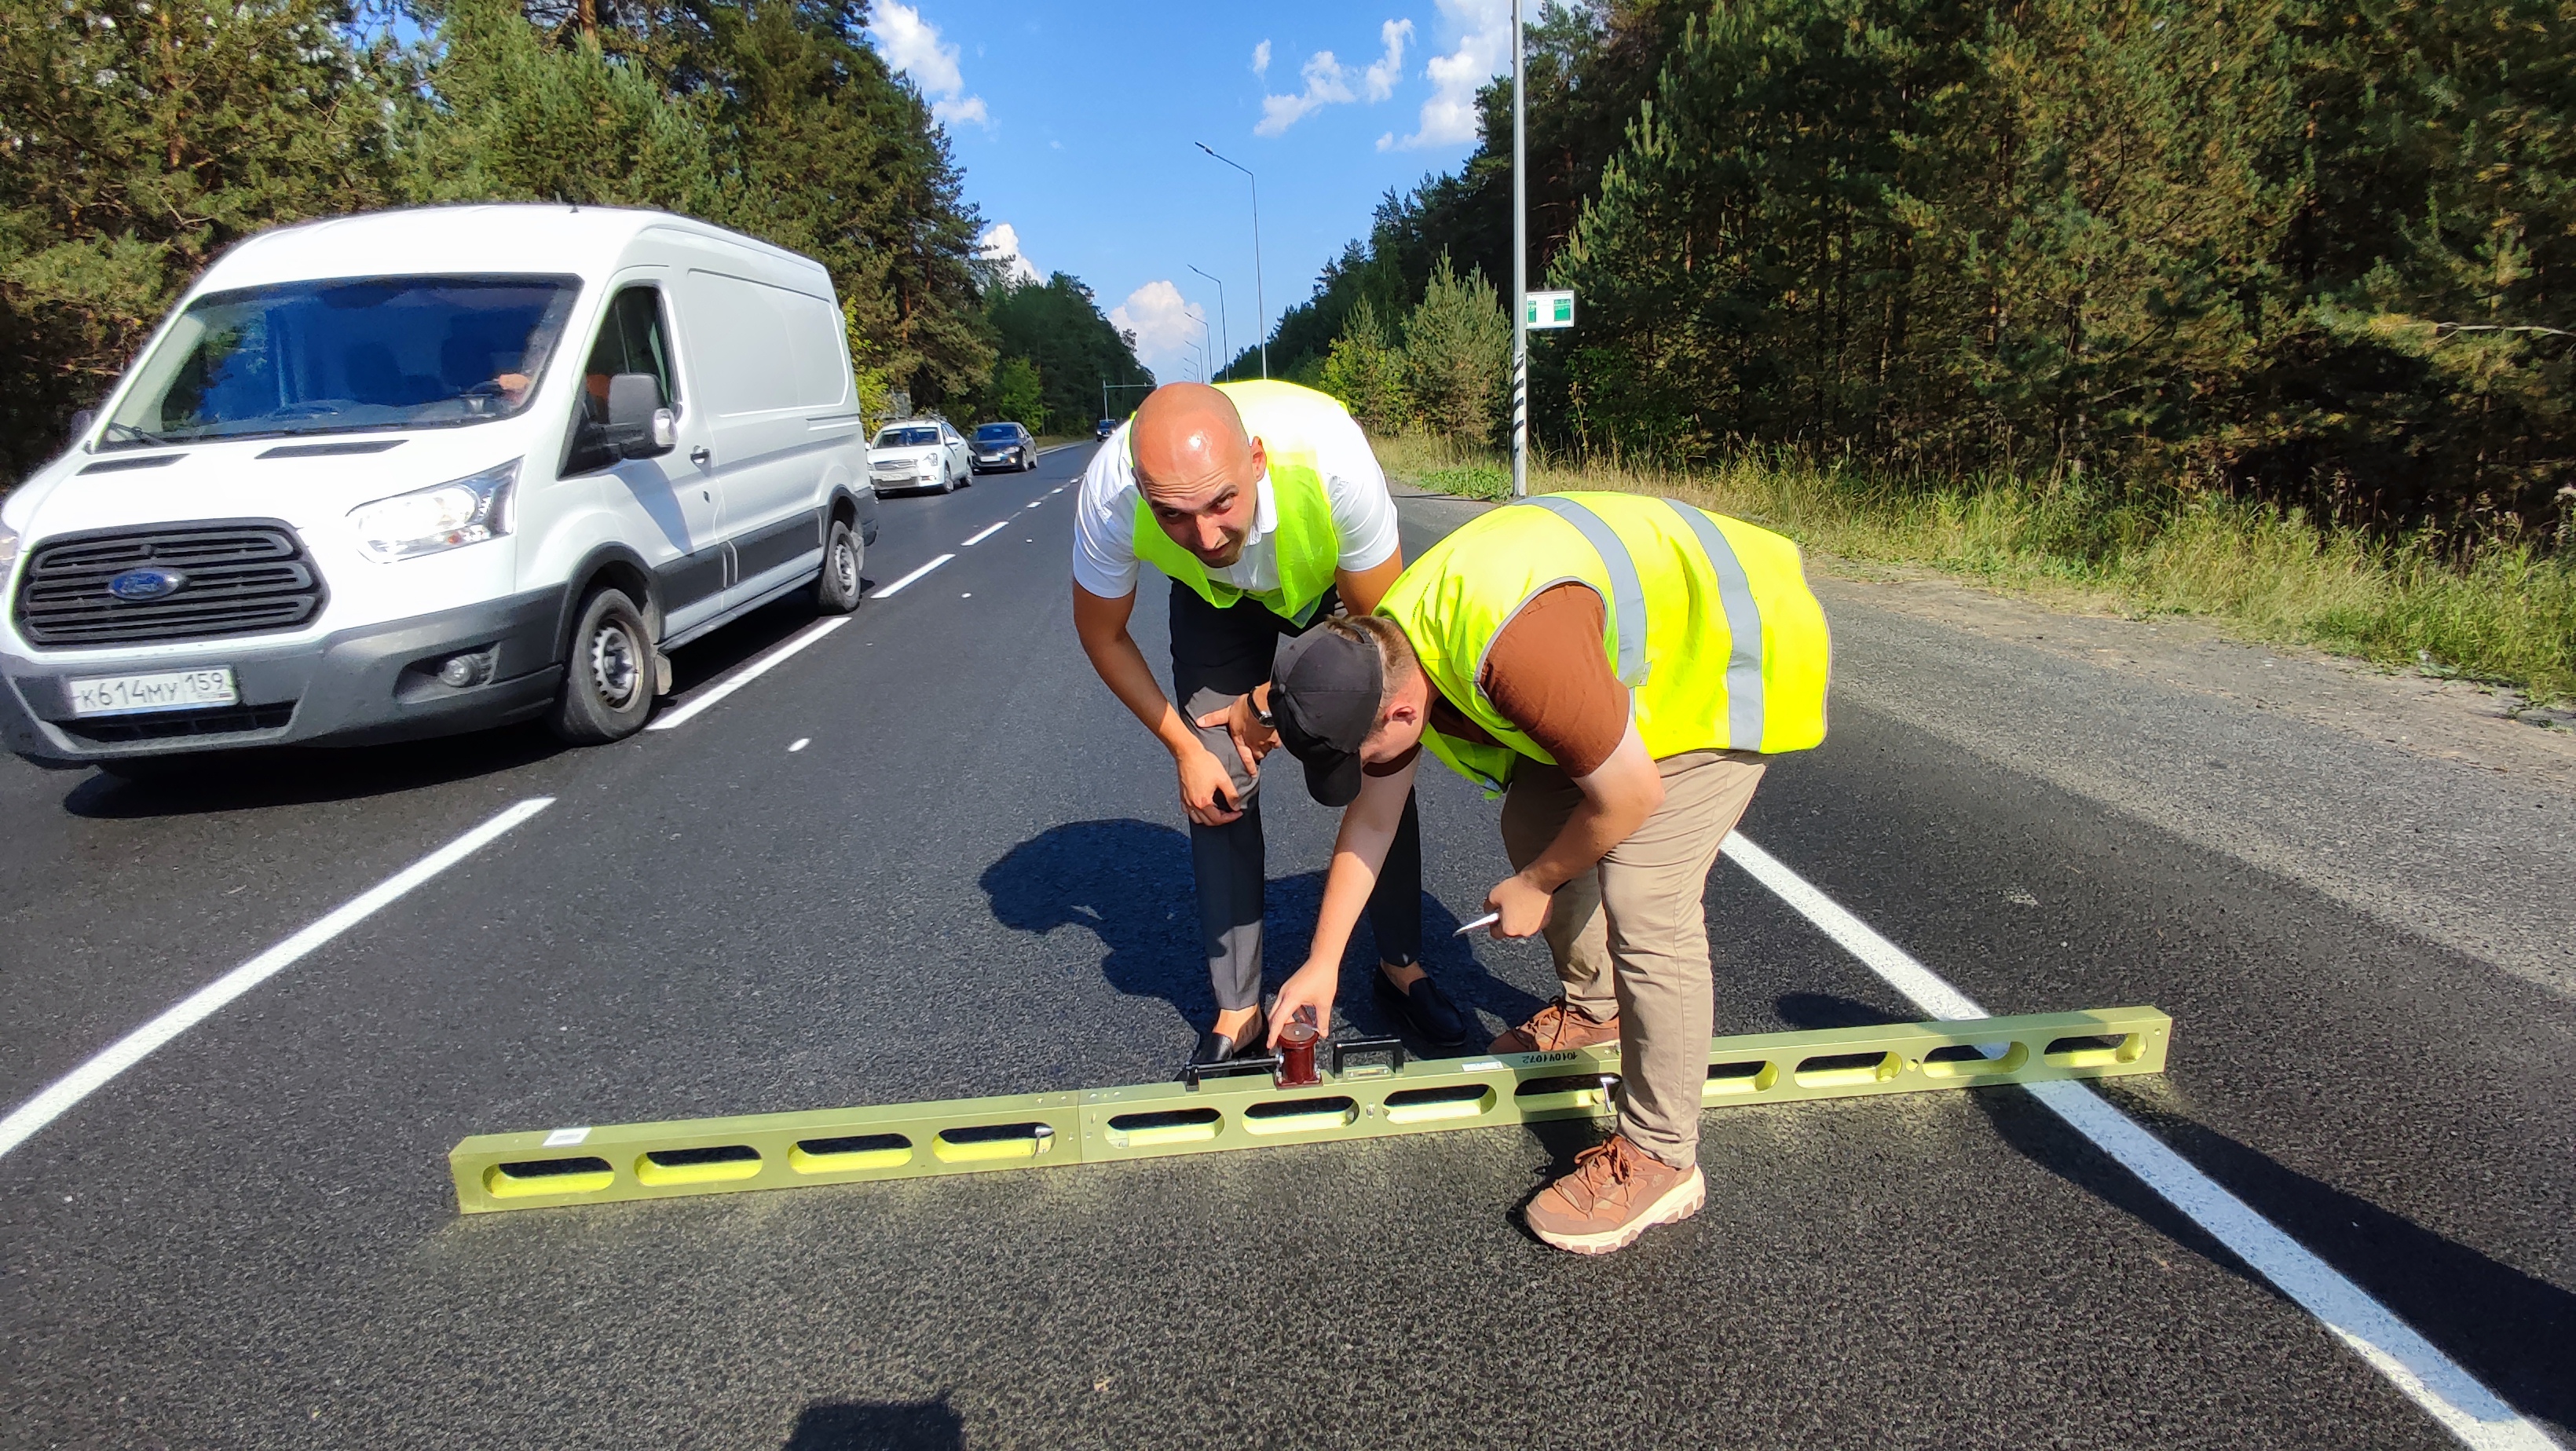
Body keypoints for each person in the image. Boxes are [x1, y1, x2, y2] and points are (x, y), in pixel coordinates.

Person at [1239, 491, 1831, 1255]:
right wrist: (1323, 964)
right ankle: (1596, 1010)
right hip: (1611, 669)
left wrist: (1540, 882)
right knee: (1530, 815)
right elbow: (1374, 821)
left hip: (1723, 654)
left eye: (1360, 760)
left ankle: (1661, 1156)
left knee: (1645, 893)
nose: (1364, 774)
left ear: (1397, 718)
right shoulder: (1385, 655)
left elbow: (1629, 795)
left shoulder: (1511, 653)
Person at [1070, 381, 1479, 1068]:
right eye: (1173, 514)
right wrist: (1183, 748)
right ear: (1142, 491)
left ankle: (1402, 965)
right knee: (1218, 784)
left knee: (1376, 752)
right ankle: (1240, 1007)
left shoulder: (1334, 464)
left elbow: (1384, 647)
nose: (1205, 534)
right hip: (1215, 602)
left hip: (1331, 595)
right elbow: (1101, 633)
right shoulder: (1110, 492)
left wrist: (1268, 704)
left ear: (1255, 460)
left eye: (1222, 502)